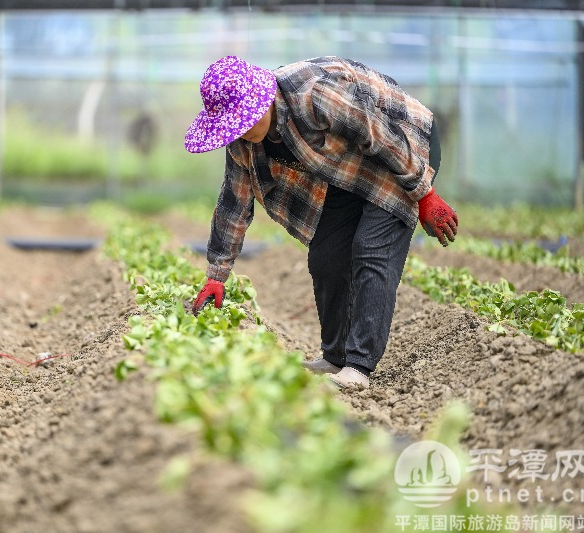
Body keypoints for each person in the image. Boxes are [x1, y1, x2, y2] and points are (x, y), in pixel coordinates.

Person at [185, 55, 458, 390]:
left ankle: (358, 366)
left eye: (243, 121)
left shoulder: (314, 95)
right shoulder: (242, 143)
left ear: (262, 101)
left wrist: (424, 193)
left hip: (404, 146)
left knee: (371, 249)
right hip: (348, 169)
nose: (239, 131)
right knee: (326, 255)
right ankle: (336, 356)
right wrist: (217, 275)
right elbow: (234, 202)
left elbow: (379, 134)